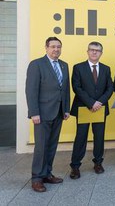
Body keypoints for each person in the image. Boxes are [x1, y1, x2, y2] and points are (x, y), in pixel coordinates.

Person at [25, 36, 70, 192]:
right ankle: (37, 178)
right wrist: (34, 113)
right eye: (53, 46)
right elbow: (31, 90)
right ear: (46, 48)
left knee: (51, 146)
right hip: (42, 114)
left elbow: (65, 89)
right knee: (41, 147)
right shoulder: (37, 64)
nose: (56, 49)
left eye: (58, 46)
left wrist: (66, 109)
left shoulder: (64, 65)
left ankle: (47, 174)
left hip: (58, 112)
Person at [69, 42, 113, 179]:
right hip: (84, 108)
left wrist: (99, 102)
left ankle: (98, 163)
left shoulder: (106, 69)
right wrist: (91, 102)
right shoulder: (78, 67)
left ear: (101, 53)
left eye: (98, 50)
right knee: (81, 137)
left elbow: (110, 88)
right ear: (87, 51)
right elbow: (76, 87)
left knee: (99, 137)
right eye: (92, 50)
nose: (94, 52)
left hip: (100, 108)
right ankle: (75, 166)